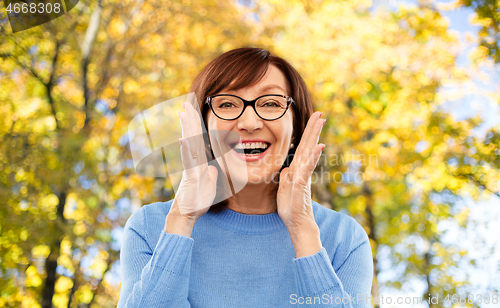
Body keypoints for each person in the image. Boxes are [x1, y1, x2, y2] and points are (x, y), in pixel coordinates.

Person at [117, 47, 373, 307]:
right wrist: (181, 220)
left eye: (271, 103)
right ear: (203, 128)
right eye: (227, 104)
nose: (249, 123)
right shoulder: (149, 228)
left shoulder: (344, 239)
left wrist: (301, 229)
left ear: (295, 128)